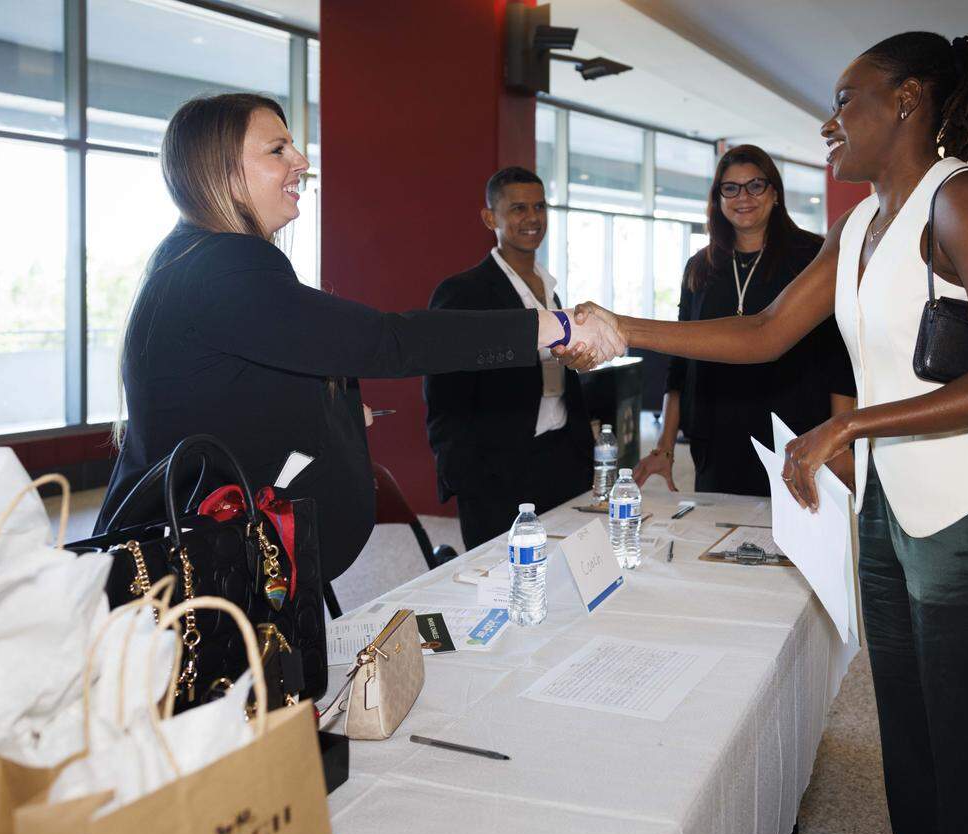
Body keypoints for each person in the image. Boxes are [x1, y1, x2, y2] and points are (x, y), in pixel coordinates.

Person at [562, 31, 968, 834]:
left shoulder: (967, 202)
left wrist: (852, 426)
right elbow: (762, 334)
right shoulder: (861, 223)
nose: (828, 120)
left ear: (906, 99)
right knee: (916, 752)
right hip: (892, 512)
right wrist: (624, 329)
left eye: (845, 98)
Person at [96, 93, 623, 583]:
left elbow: (233, 396)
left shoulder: (192, 256)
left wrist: (336, 411)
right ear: (224, 172)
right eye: (278, 149)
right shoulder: (224, 266)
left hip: (210, 554)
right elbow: (386, 341)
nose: (300, 160)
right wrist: (553, 326)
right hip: (203, 569)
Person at [633, 145, 855, 495]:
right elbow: (680, 366)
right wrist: (664, 447)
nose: (743, 197)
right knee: (716, 546)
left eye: (755, 185)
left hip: (796, 438)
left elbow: (840, 357)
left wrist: (841, 444)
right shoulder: (700, 268)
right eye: (731, 188)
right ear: (718, 199)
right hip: (716, 439)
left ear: (775, 192)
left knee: (789, 547)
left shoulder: (813, 257)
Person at [424, 167, 594, 550]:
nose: (532, 218)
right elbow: (443, 396)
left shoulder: (549, 288)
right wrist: (464, 474)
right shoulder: (462, 294)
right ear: (490, 218)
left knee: (569, 571)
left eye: (539, 207)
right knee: (502, 582)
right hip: (497, 470)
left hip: (563, 459)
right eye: (518, 208)